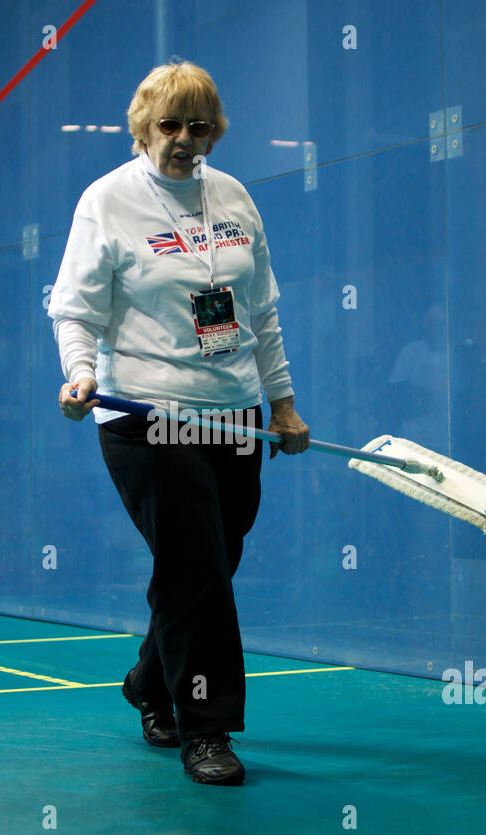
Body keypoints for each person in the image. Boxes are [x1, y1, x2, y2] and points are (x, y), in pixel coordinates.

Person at [49, 60, 309, 786]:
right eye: (169, 125)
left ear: (216, 131)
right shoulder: (107, 202)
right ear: (142, 127)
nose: (183, 140)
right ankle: (208, 726)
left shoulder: (234, 199)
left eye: (199, 127)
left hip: (234, 415)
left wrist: (282, 403)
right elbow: (75, 309)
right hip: (145, 416)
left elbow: (260, 313)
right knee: (197, 566)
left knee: (212, 561)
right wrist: (79, 373)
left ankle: (148, 682)